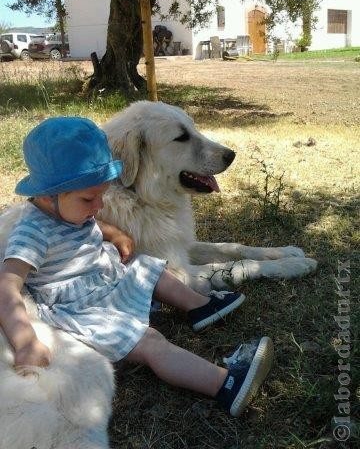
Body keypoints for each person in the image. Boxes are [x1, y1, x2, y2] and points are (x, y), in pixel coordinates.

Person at [0, 116, 274, 417]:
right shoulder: (31, 233)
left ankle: (202, 306)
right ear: (46, 195)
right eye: (90, 198)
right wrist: (25, 342)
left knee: (151, 268)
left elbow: (94, 224)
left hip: (106, 280)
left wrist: (115, 233)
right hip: (85, 310)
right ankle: (226, 383)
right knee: (152, 342)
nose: (99, 205)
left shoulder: (72, 209)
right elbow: (8, 286)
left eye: (102, 195)